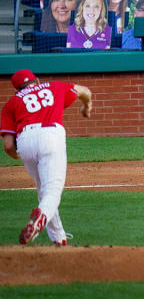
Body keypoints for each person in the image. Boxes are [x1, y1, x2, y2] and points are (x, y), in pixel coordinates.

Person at [2, 69, 93, 246]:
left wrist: (21, 153)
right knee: (52, 190)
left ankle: (59, 238)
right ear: (37, 80)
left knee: (44, 191)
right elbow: (85, 91)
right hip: (51, 134)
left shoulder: (12, 103)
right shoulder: (55, 87)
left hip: (25, 139)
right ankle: (40, 218)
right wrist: (86, 106)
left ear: (17, 89)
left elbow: (8, 145)